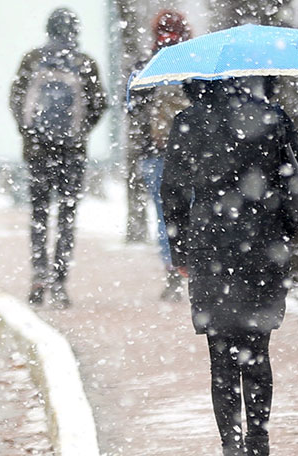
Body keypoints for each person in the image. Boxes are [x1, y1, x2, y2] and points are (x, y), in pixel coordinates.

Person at [161, 77, 298, 456]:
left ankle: (231, 444)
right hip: (264, 246)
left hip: (211, 249)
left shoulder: (188, 121)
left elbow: (173, 191)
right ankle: (258, 441)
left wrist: (180, 252)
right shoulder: (271, 117)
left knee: (221, 354)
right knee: (258, 351)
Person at [9, 8, 107, 308]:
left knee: (39, 215)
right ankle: (61, 281)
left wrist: (30, 134)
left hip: (38, 152)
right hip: (71, 153)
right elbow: (100, 104)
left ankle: (39, 274)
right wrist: (79, 133)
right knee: (67, 216)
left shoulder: (32, 60)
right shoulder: (84, 63)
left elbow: (16, 99)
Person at [127, 10, 192, 302]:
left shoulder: (146, 66)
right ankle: (198, 267)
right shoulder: (195, 65)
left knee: (165, 216)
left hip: (155, 153)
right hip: (192, 155)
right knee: (195, 212)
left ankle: (172, 271)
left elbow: (131, 105)